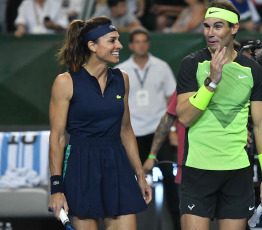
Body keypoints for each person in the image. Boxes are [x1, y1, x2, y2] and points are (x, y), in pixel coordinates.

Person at [176, 1, 262, 229]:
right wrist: (211, 82)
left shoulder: (251, 70)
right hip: (198, 169)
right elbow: (185, 117)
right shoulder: (192, 64)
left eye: (218, 26)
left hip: (237, 173)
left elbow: (261, 125)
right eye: (206, 26)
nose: (210, 33)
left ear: (234, 28)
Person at [48, 16, 152, 230]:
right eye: (112, 40)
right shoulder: (65, 82)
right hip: (81, 166)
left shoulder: (122, 78)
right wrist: (56, 188)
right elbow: (57, 138)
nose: (119, 46)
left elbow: (125, 130)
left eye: (118, 40)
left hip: (117, 164)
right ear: (92, 46)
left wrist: (140, 175)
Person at [115, 27, 180, 230]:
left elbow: (173, 100)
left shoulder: (161, 67)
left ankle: (178, 225)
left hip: (158, 132)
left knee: (171, 180)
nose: (141, 45)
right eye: (137, 41)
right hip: (132, 133)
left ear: (148, 44)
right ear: (131, 45)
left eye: (145, 41)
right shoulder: (121, 70)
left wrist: (173, 131)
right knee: (127, 181)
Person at [143, 89, 185, 184]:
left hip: (220, 164)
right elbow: (167, 119)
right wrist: (152, 156)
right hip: (188, 168)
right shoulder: (187, 80)